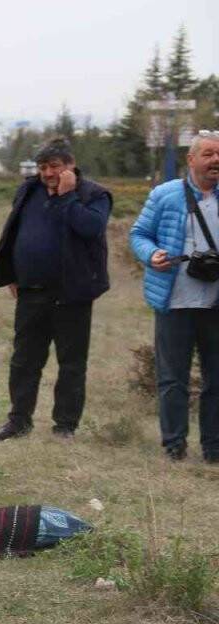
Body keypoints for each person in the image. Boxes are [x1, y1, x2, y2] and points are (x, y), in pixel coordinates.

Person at [0, 138, 112, 440]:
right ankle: (18, 422)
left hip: (73, 293)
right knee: (24, 360)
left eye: (54, 166)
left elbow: (90, 228)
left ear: (70, 165)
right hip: (31, 291)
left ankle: (65, 426)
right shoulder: (29, 190)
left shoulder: (94, 194)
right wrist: (12, 273)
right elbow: (13, 232)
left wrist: (67, 197)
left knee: (70, 363)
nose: (47, 173)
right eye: (43, 167)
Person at [129, 130, 219, 461]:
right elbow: (139, 234)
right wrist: (150, 254)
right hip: (174, 301)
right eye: (208, 154)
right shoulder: (165, 195)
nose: (215, 160)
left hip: (215, 303)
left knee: (217, 381)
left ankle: (213, 449)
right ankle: (174, 447)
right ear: (191, 159)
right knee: (172, 380)